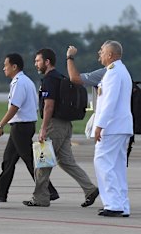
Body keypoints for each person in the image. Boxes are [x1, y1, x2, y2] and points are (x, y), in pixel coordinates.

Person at [23, 48, 98, 208]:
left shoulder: (50, 79)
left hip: (54, 125)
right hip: (66, 125)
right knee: (66, 161)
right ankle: (90, 189)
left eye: (38, 61)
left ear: (47, 62)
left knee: (42, 162)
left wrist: (43, 129)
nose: (36, 64)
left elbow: (49, 106)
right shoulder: (61, 77)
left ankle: (40, 198)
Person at [0, 53, 59, 203]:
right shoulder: (25, 81)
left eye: (6, 65)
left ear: (14, 66)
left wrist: (0, 125)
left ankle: (49, 190)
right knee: (8, 161)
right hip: (23, 125)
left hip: (21, 127)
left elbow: (15, 107)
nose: (4, 68)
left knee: (30, 161)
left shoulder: (19, 83)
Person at [92, 41, 133, 217]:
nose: (99, 54)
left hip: (112, 126)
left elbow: (109, 102)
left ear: (110, 55)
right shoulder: (120, 71)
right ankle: (122, 205)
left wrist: (99, 125)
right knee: (117, 167)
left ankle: (113, 204)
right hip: (120, 126)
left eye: (102, 52)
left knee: (103, 163)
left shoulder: (113, 73)